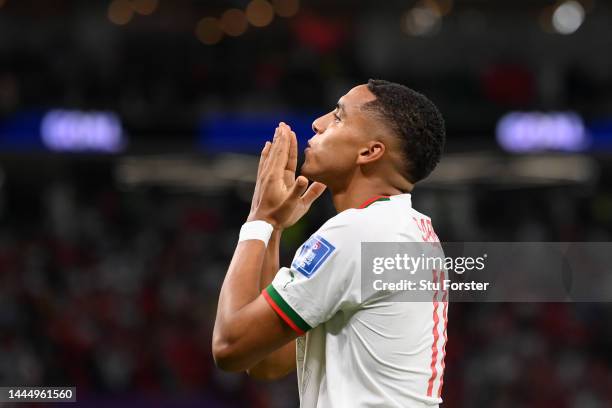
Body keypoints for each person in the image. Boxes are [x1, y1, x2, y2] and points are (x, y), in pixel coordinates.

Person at [212, 79, 447, 407]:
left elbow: (229, 347)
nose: (318, 123)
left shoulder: (358, 232)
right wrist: (276, 227)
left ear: (369, 151)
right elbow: (267, 361)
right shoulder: (406, 230)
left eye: (338, 118)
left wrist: (258, 220)